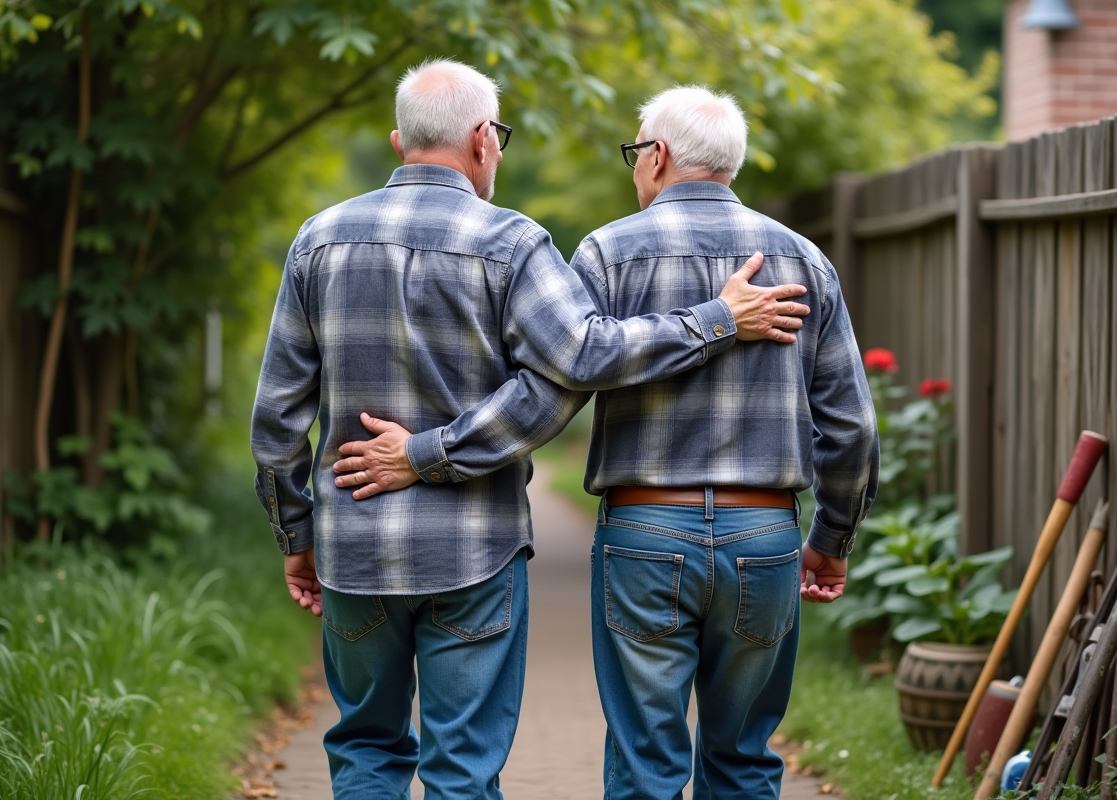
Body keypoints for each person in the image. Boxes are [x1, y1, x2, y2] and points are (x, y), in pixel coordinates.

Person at [250, 61, 811, 799]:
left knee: (364, 749)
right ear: (484, 140)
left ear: (398, 141)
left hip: (354, 545)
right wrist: (715, 320)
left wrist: (297, 536)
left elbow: (277, 417)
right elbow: (575, 364)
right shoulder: (513, 244)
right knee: (464, 768)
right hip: (475, 548)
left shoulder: (316, 241)